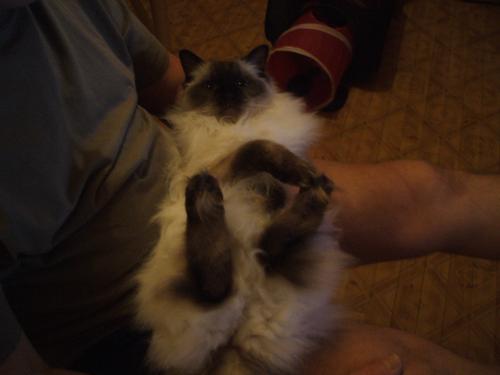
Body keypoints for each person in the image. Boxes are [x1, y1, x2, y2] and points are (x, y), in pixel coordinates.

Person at [0, 1, 498, 375]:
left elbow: (169, 80)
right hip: (127, 311)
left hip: (205, 179)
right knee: (407, 363)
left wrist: (252, 133)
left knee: (430, 188)